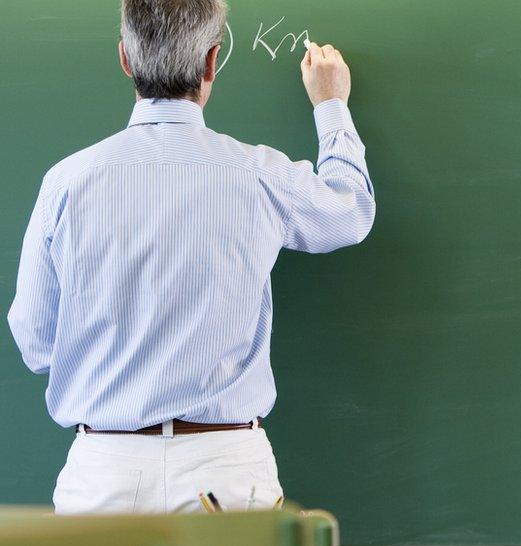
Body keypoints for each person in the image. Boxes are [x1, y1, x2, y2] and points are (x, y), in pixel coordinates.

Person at [6, 0, 374, 514]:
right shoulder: (257, 174)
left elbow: (37, 344)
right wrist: (331, 105)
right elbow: (350, 210)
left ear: (125, 60)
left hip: (103, 473)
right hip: (225, 472)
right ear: (210, 63)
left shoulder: (67, 183)